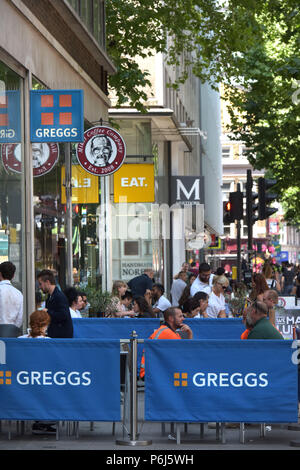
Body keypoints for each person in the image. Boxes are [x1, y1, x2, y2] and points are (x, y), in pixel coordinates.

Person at [139, 307, 193, 379]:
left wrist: (189, 333)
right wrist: (190, 334)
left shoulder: (169, 331)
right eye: (180, 316)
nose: (183, 319)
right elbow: (186, 353)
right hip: (150, 373)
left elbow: (185, 351)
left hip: (153, 370)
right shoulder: (167, 333)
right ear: (171, 318)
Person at [37, 269, 73, 338]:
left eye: (40, 284)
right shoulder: (50, 297)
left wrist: (47, 311)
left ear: (47, 282)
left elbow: (63, 315)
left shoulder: (59, 296)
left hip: (61, 338)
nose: (39, 287)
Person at [0, 261, 23, 329]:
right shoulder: (19, 294)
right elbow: (20, 318)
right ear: (13, 276)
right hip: (12, 334)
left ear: (0, 274)